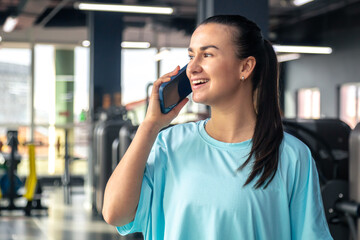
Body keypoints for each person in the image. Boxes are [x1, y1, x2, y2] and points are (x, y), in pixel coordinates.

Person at [102, 15, 333, 240]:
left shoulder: (291, 156)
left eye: (207, 54)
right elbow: (114, 213)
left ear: (245, 67)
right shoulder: (170, 144)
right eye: (191, 55)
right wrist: (151, 125)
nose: (192, 68)